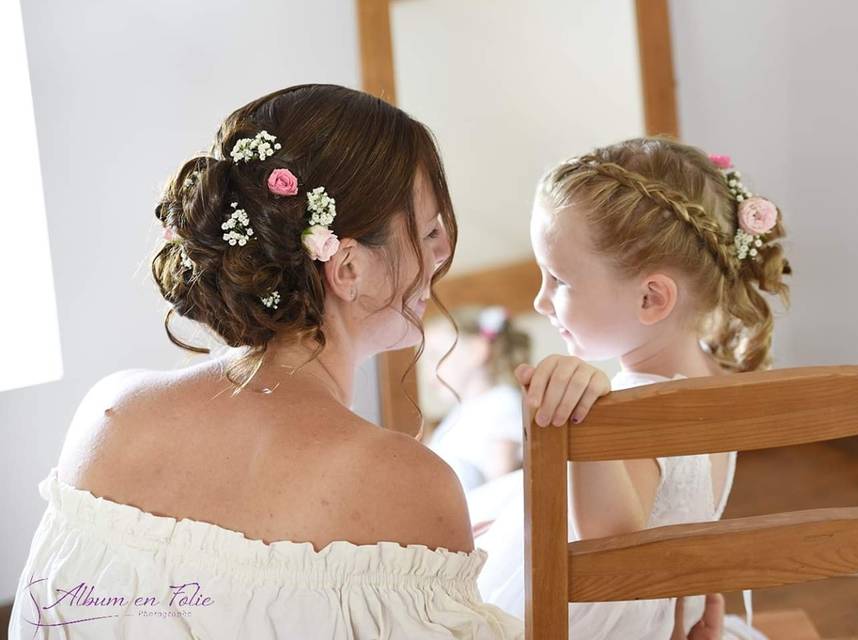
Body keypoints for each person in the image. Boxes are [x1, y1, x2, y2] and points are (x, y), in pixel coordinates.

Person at [9, 84, 530, 639]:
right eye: (428, 231)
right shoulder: (410, 484)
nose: (444, 250)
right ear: (347, 268)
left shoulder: (110, 415)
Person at [477, 137, 791, 639]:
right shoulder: (716, 378)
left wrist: (582, 416)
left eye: (558, 279)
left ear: (651, 298)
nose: (540, 301)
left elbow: (611, 541)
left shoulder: (634, 415)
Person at [424, 306, 531, 490]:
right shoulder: (459, 414)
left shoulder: (501, 404)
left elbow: (498, 486)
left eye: (435, 356)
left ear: (477, 350)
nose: (428, 372)